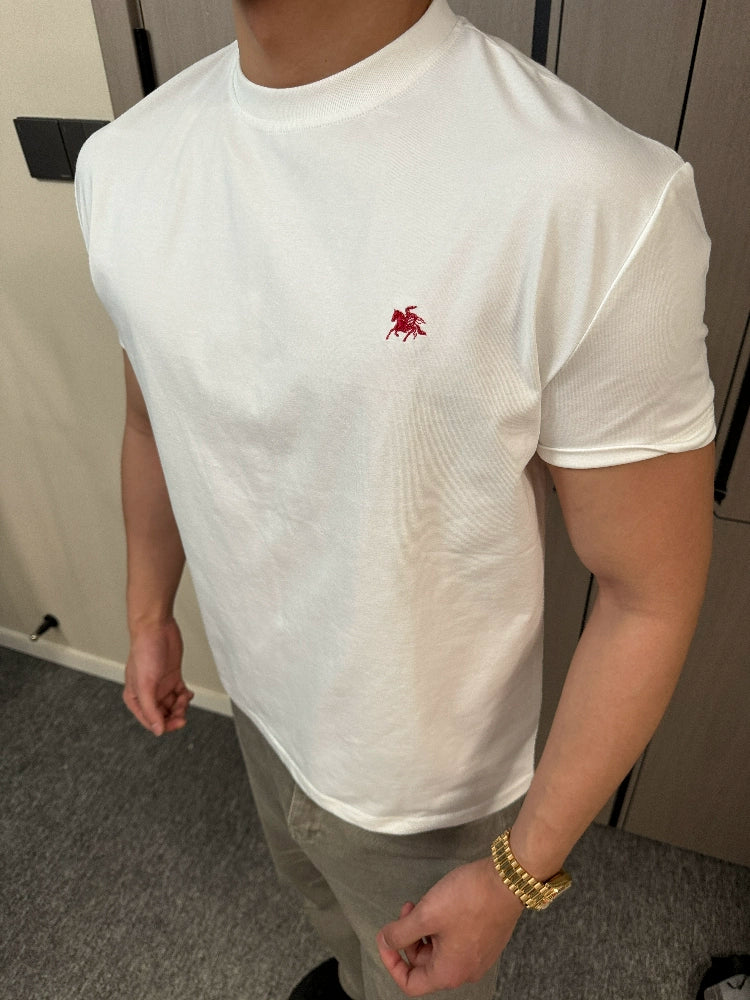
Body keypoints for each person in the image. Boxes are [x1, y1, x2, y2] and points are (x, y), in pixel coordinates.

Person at [73, 0, 717, 996]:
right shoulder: (124, 163)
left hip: (430, 787)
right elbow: (151, 420)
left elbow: (649, 594)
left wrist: (518, 873)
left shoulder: (596, 197)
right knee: (330, 925)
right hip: (260, 706)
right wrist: (149, 610)